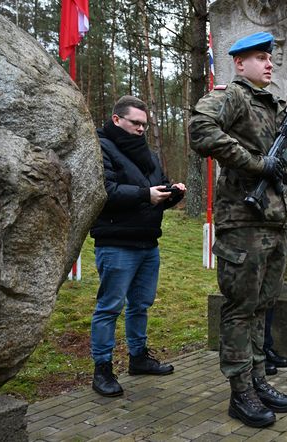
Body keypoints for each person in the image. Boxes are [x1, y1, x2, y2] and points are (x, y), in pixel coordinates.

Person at [189, 32, 287, 428]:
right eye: (259, 57)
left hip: (273, 222)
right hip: (243, 223)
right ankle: (240, 393)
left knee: (262, 308)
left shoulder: (271, 105)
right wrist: (255, 163)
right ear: (239, 64)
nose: (269, 63)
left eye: (270, 57)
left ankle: (257, 380)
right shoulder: (233, 95)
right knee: (240, 310)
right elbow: (200, 129)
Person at [89, 96, 186, 397]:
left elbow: (158, 186)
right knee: (109, 307)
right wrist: (146, 194)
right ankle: (102, 370)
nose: (141, 129)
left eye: (145, 124)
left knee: (140, 305)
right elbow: (103, 192)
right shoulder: (100, 147)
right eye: (136, 123)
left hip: (148, 244)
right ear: (117, 120)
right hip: (116, 243)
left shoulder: (149, 155)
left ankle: (138, 358)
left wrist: (173, 194)